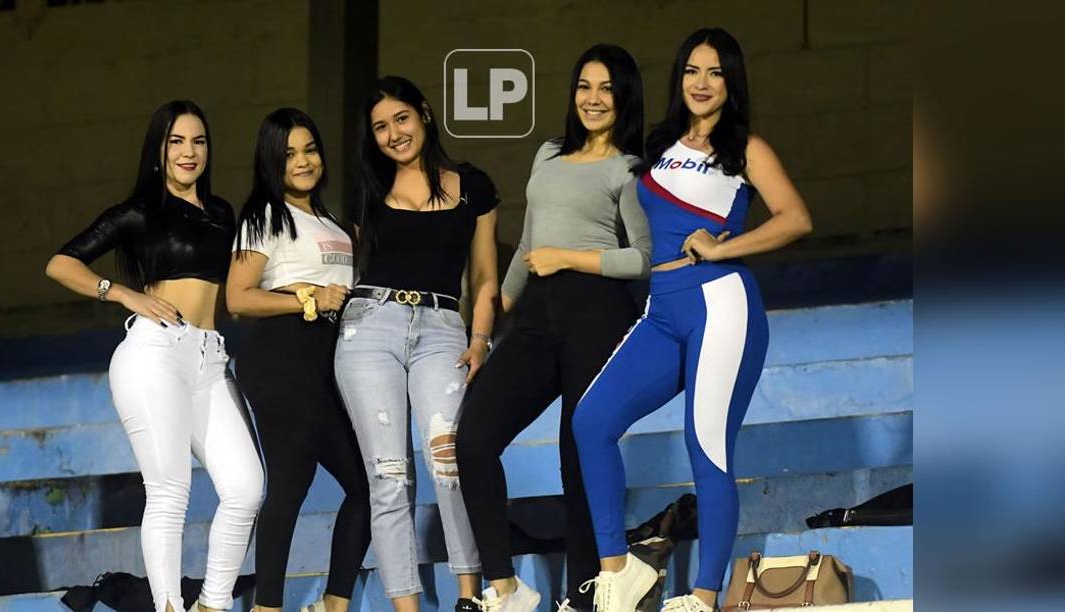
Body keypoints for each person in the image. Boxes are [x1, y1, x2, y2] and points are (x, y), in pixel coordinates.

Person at [571, 28, 813, 612]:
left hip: (719, 304)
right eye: (692, 72)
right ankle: (619, 573)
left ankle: (702, 597)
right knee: (590, 420)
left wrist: (726, 249)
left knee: (706, 445)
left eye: (715, 73)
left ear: (731, 82)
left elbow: (796, 218)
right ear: (679, 78)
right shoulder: (659, 143)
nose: (701, 84)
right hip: (662, 310)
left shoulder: (746, 148)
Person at [454, 43, 651, 612]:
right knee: (475, 438)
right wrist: (486, 331)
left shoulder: (628, 169)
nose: (593, 98)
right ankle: (507, 589)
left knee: (576, 452)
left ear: (624, 97)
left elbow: (641, 257)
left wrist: (569, 258)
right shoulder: (548, 154)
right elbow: (527, 251)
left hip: (598, 311)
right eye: (584, 86)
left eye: (606, 88)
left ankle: (582, 597)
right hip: (538, 315)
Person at [45, 100, 263, 612]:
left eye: (199, 141)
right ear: (159, 151)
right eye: (177, 142)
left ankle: (211, 604)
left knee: (247, 487)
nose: (189, 152)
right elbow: (60, 263)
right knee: (169, 491)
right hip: (155, 352)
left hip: (210, 359)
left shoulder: (223, 213)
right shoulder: (141, 211)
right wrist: (121, 293)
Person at [334, 76, 498, 612]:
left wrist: (480, 340)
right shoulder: (368, 192)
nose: (393, 134)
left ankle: (468, 597)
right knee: (389, 477)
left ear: (424, 115)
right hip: (370, 326)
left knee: (448, 459)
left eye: (401, 119)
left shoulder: (473, 185)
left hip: (442, 327)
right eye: (380, 127)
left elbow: (485, 277)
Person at [225, 108, 370, 612]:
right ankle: (267, 607)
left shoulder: (331, 221)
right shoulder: (266, 216)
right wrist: (305, 298)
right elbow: (239, 299)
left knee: (369, 484)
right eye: (290, 154)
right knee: (291, 481)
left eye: (310, 149)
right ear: (272, 162)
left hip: (327, 364)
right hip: (283, 355)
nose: (304, 161)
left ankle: (333, 602)